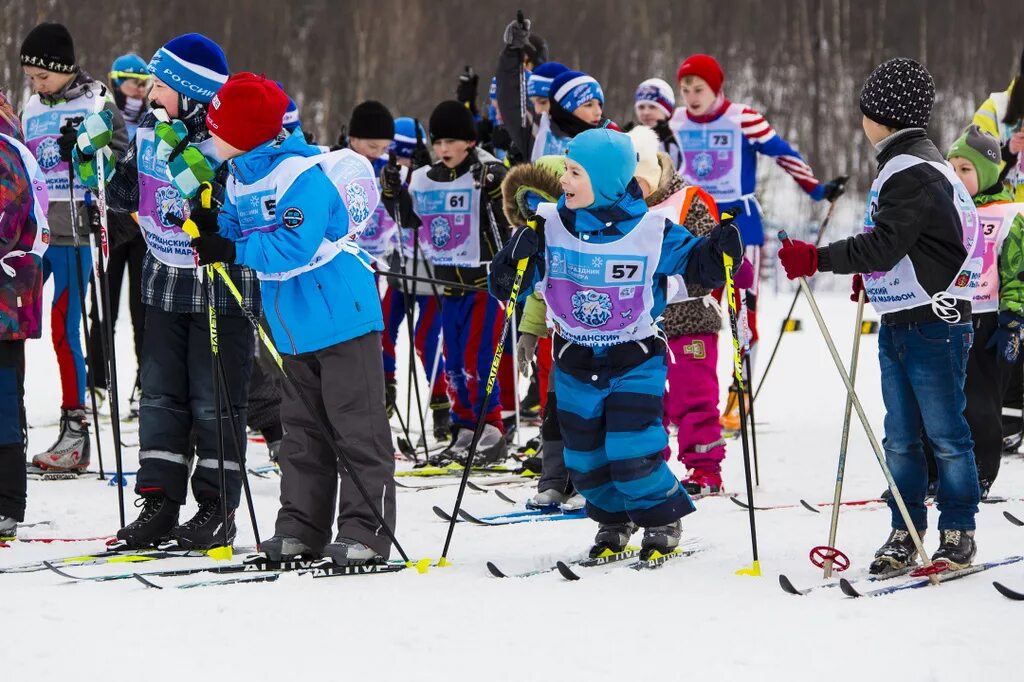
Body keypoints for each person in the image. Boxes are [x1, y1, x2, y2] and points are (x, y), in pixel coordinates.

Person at [489, 128, 743, 558]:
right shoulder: (548, 225)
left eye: (574, 173)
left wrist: (720, 250)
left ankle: (662, 516)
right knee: (584, 458)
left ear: (605, 181)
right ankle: (612, 518)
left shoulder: (651, 229)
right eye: (567, 170)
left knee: (633, 448)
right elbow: (505, 285)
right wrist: (516, 256)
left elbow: (702, 267)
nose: (564, 181)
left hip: (634, 357)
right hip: (574, 357)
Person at [778, 58, 982, 573]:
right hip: (905, 318)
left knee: (944, 434)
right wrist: (877, 281)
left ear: (881, 117)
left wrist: (819, 258)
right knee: (900, 435)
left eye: (864, 110)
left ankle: (958, 530)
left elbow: (887, 242)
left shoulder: (910, 169)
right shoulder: (912, 162)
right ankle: (905, 528)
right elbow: (917, 243)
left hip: (934, 324)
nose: (860, 118)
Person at [190, 72, 396, 564]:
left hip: (341, 318)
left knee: (357, 431)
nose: (208, 137)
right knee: (303, 433)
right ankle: (301, 528)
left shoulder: (301, 175)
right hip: (292, 327)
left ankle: (366, 532)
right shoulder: (242, 172)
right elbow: (241, 226)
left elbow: (289, 247)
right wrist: (210, 224)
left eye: (217, 129)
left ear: (245, 133)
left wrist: (231, 247)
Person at [74, 32, 257, 550]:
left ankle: (216, 506)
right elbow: (127, 192)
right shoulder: (152, 129)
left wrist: (184, 152)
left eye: (160, 85)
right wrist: (94, 163)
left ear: (191, 91)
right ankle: (159, 501)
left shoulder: (226, 136)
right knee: (161, 396)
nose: (150, 94)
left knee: (213, 397)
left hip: (217, 284)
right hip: (164, 277)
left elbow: (223, 202)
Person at [670, 53, 845, 432]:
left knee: (739, 311)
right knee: (688, 308)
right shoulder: (677, 121)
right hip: (693, 223)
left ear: (716, 89)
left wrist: (818, 190)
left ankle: (739, 391)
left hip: (738, 225)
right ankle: (686, 393)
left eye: (698, 89)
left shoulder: (742, 118)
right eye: (685, 90)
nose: (691, 97)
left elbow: (783, 153)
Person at [19, 22, 128, 471]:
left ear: (64, 70)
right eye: (30, 78)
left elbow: (122, 158)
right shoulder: (29, 107)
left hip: (76, 229)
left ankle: (75, 429)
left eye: (42, 77)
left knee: (65, 326)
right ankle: (14, 418)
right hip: (35, 232)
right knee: (16, 322)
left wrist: (86, 151)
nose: (36, 85)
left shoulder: (97, 100)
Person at [383, 101, 510, 465]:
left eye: (451, 142)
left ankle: (491, 428)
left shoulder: (486, 170)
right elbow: (408, 222)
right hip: (445, 283)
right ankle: (464, 426)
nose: (443, 150)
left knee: (478, 357)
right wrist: (394, 192)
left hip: (482, 284)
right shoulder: (428, 176)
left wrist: (493, 188)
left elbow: (508, 215)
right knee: (451, 358)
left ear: (469, 142)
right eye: (438, 143)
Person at [349, 106, 450, 442]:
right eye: (395, 156)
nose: (397, 163)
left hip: (428, 271)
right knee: (382, 331)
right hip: (392, 268)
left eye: (404, 158)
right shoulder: (376, 172)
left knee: (426, 337)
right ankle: (387, 392)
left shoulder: (425, 178)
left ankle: (441, 403)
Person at [941, 125, 1024, 498]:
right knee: (940, 400)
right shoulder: (945, 209)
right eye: (951, 167)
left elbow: (1017, 272)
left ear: (987, 173)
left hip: (989, 320)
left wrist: (1013, 319)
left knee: (981, 403)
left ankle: (979, 474)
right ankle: (934, 471)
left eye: (966, 169)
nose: (956, 176)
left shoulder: (1008, 214)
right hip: (946, 316)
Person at [86, 53, 151, 418]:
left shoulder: (153, 117)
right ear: (116, 82)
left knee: (143, 311)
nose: (139, 92)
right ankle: (96, 381)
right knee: (104, 308)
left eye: (144, 85)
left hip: (142, 228)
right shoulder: (103, 114)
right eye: (132, 83)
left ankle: (146, 382)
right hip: (111, 224)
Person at [0, 94, 49, 539]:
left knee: (2, 402)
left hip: (4, 302)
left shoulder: (7, 153)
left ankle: (7, 501)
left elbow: (12, 223)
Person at [972, 48, 1024, 449]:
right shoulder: (998, 107)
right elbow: (970, 163)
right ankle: (1004, 415)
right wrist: (1007, 153)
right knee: (1009, 322)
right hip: (1004, 227)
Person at [634, 78, 683, 169]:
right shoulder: (631, 138)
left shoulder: (679, 137)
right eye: (641, 107)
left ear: (666, 111)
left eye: (652, 107)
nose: (646, 112)